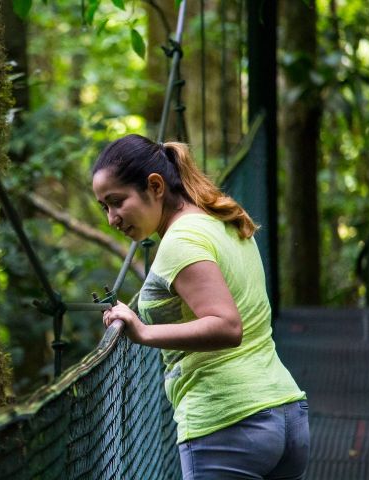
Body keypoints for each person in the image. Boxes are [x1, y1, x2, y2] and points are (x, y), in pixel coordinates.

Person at [92, 134, 309, 480]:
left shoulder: (180, 241)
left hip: (227, 424)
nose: (112, 219)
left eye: (117, 202)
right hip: (286, 415)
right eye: (104, 207)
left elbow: (227, 326)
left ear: (155, 186)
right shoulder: (221, 219)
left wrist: (144, 331)